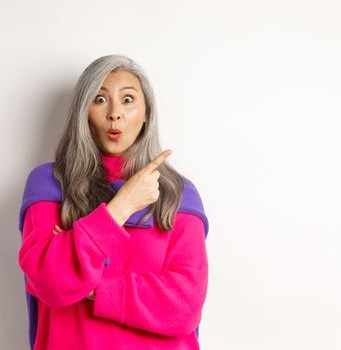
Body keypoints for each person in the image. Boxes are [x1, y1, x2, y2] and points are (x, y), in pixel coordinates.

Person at [17, 54, 210, 349]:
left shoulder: (178, 194)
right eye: (100, 99)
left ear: (146, 112)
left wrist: (91, 286)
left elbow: (184, 306)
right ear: (83, 112)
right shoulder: (50, 184)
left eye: (128, 100)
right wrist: (121, 207)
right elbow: (50, 281)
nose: (115, 114)